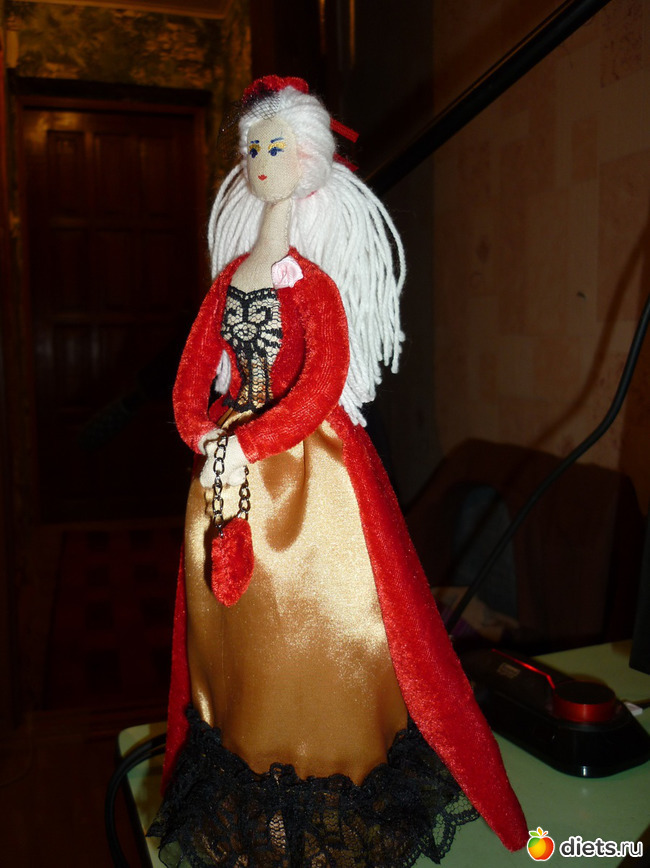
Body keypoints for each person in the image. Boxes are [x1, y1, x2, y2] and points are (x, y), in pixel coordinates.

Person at [150, 75, 527, 867]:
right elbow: (193, 371)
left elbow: (323, 379)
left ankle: (327, 764)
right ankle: (250, 779)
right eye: (253, 147)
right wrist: (202, 430)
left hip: (308, 477)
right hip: (227, 480)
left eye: (277, 146)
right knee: (233, 641)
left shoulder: (314, 285)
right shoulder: (228, 282)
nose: (262, 160)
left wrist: (250, 440)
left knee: (321, 623)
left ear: (309, 159)